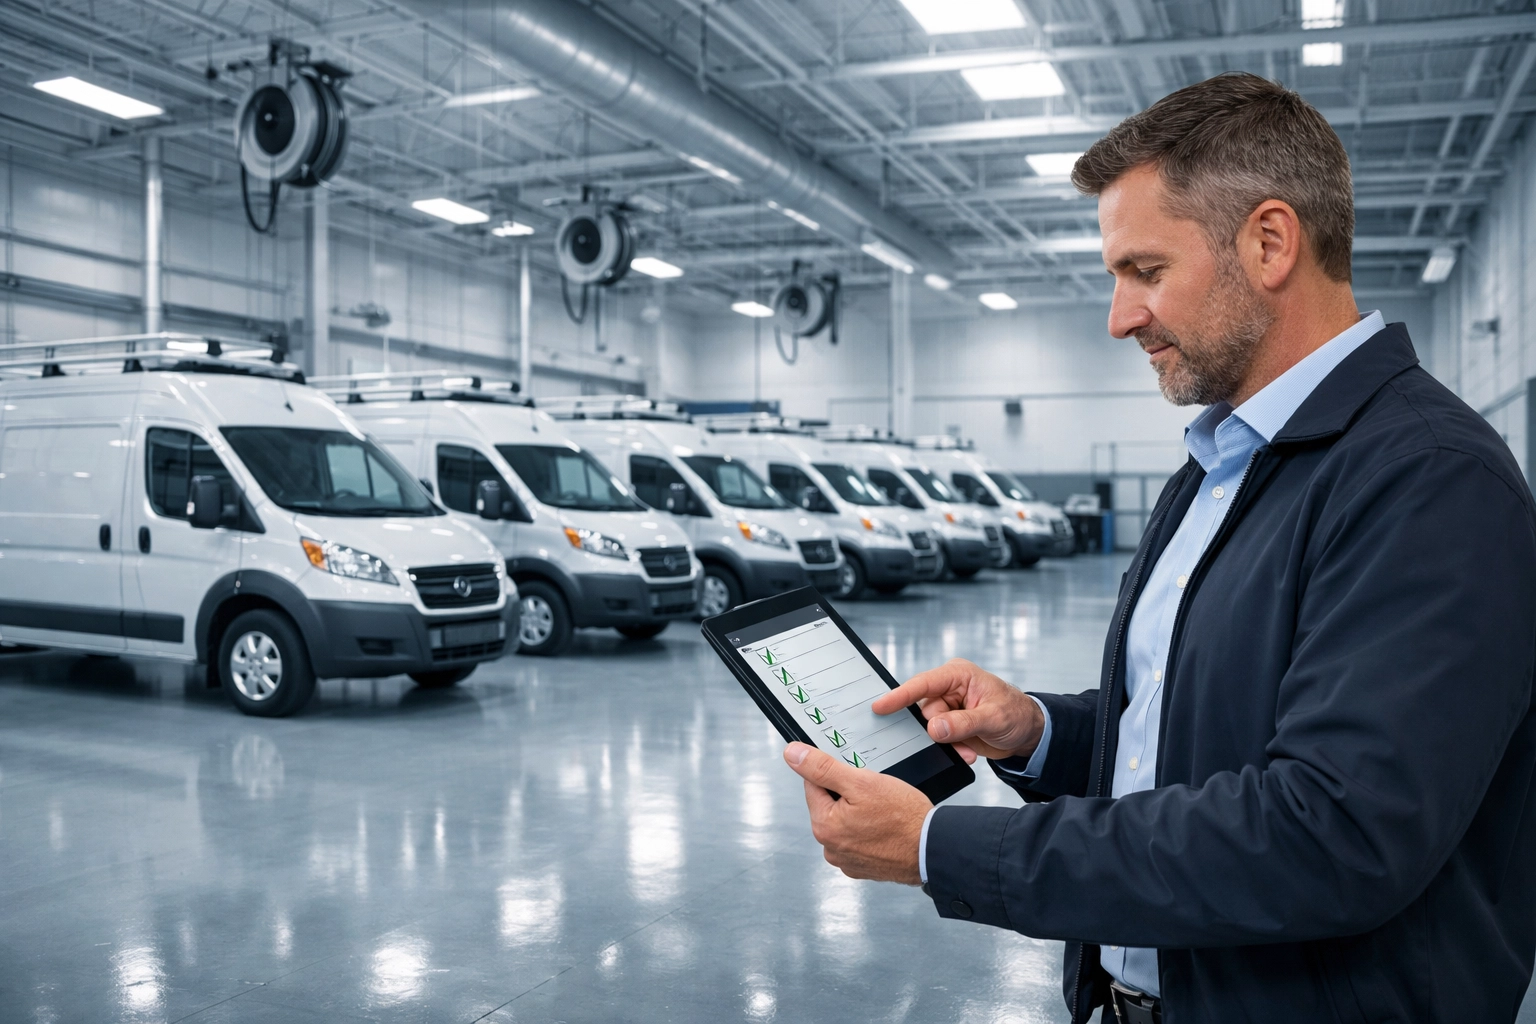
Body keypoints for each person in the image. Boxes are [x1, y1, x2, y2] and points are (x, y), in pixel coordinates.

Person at [783, 72, 1536, 1024]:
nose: (1119, 316)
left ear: (1269, 243)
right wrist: (1040, 732)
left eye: (1145, 270)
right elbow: (1200, 732)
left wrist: (944, 848)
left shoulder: (1427, 478)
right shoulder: (1219, 464)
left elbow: (1334, 834)